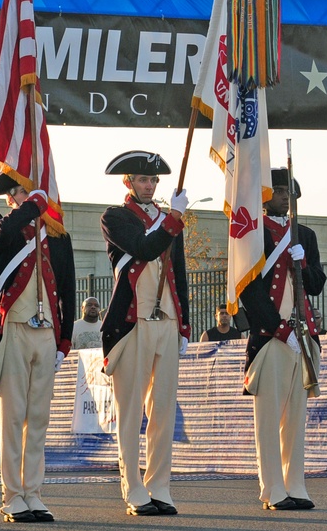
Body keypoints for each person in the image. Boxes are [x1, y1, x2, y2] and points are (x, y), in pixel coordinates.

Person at [0, 171, 77, 523]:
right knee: (14, 415)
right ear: (10, 198)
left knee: (39, 417)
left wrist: (64, 340)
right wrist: (31, 206)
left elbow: (68, 288)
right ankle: (12, 496)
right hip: (15, 329)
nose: (32, 196)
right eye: (22, 191)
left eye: (35, 191)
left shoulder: (56, 234)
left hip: (47, 330)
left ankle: (34, 492)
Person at [99, 151, 190, 516]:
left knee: (164, 409)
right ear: (128, 183)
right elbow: (143, 247)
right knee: (131, 407)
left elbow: (179, 273)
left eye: (153, 180)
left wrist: (184, 324)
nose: (149, 186)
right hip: (133, 321)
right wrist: (174, 217)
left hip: (166, 320)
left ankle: (159, 486)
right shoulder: (115, 217)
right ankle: (133, 488)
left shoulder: (169, 219)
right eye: (142, 179)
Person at [241, 167, 326, 513]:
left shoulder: (303, 233)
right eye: (278, 191)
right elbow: (248, 288)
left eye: (288, 193)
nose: (284, 198)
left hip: (303, 335)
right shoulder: (253, 233)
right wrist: (278, 328)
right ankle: (273, 488)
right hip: (272, 335)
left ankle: (296, 484)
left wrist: (303, 264)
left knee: (296, 417)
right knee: (269, 417)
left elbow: (318, 284)